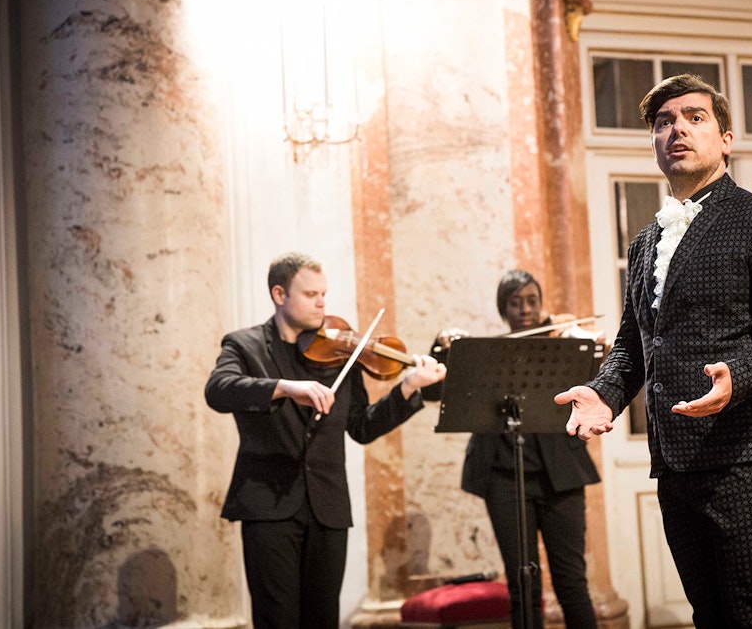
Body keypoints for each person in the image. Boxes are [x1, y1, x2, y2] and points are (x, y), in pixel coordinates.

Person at [554, 73, 752, 627]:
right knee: (711, 618)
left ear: (725, 138)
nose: (677, 129)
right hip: (677, 463)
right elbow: (634, 343)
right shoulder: (645, 241)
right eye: (663, 122)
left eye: (694, 117)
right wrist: (604, 394)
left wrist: (739, 375)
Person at [204, 252, 446, 629]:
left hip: (327, 508)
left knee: (323, 621)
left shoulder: (339, 354)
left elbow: (362, 427)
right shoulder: (245, 345)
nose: (321, 302)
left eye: (324, 294)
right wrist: (283, 388)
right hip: (268, 507)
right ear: (279, 294)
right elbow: (218, 391)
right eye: (311, 293)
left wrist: (408, 387)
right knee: (277, 620)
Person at [425, 270, 600, 629]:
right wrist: (440, 344)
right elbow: (431, 391)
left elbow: (598, 376)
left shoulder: (562, 347)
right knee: (522, 584)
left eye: (532, 300)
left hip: (561, 478)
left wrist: (589, 346)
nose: (525, 309)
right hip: (504, 479)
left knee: (572, 582)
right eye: (515, 302)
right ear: (503, 308)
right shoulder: (488, 354)